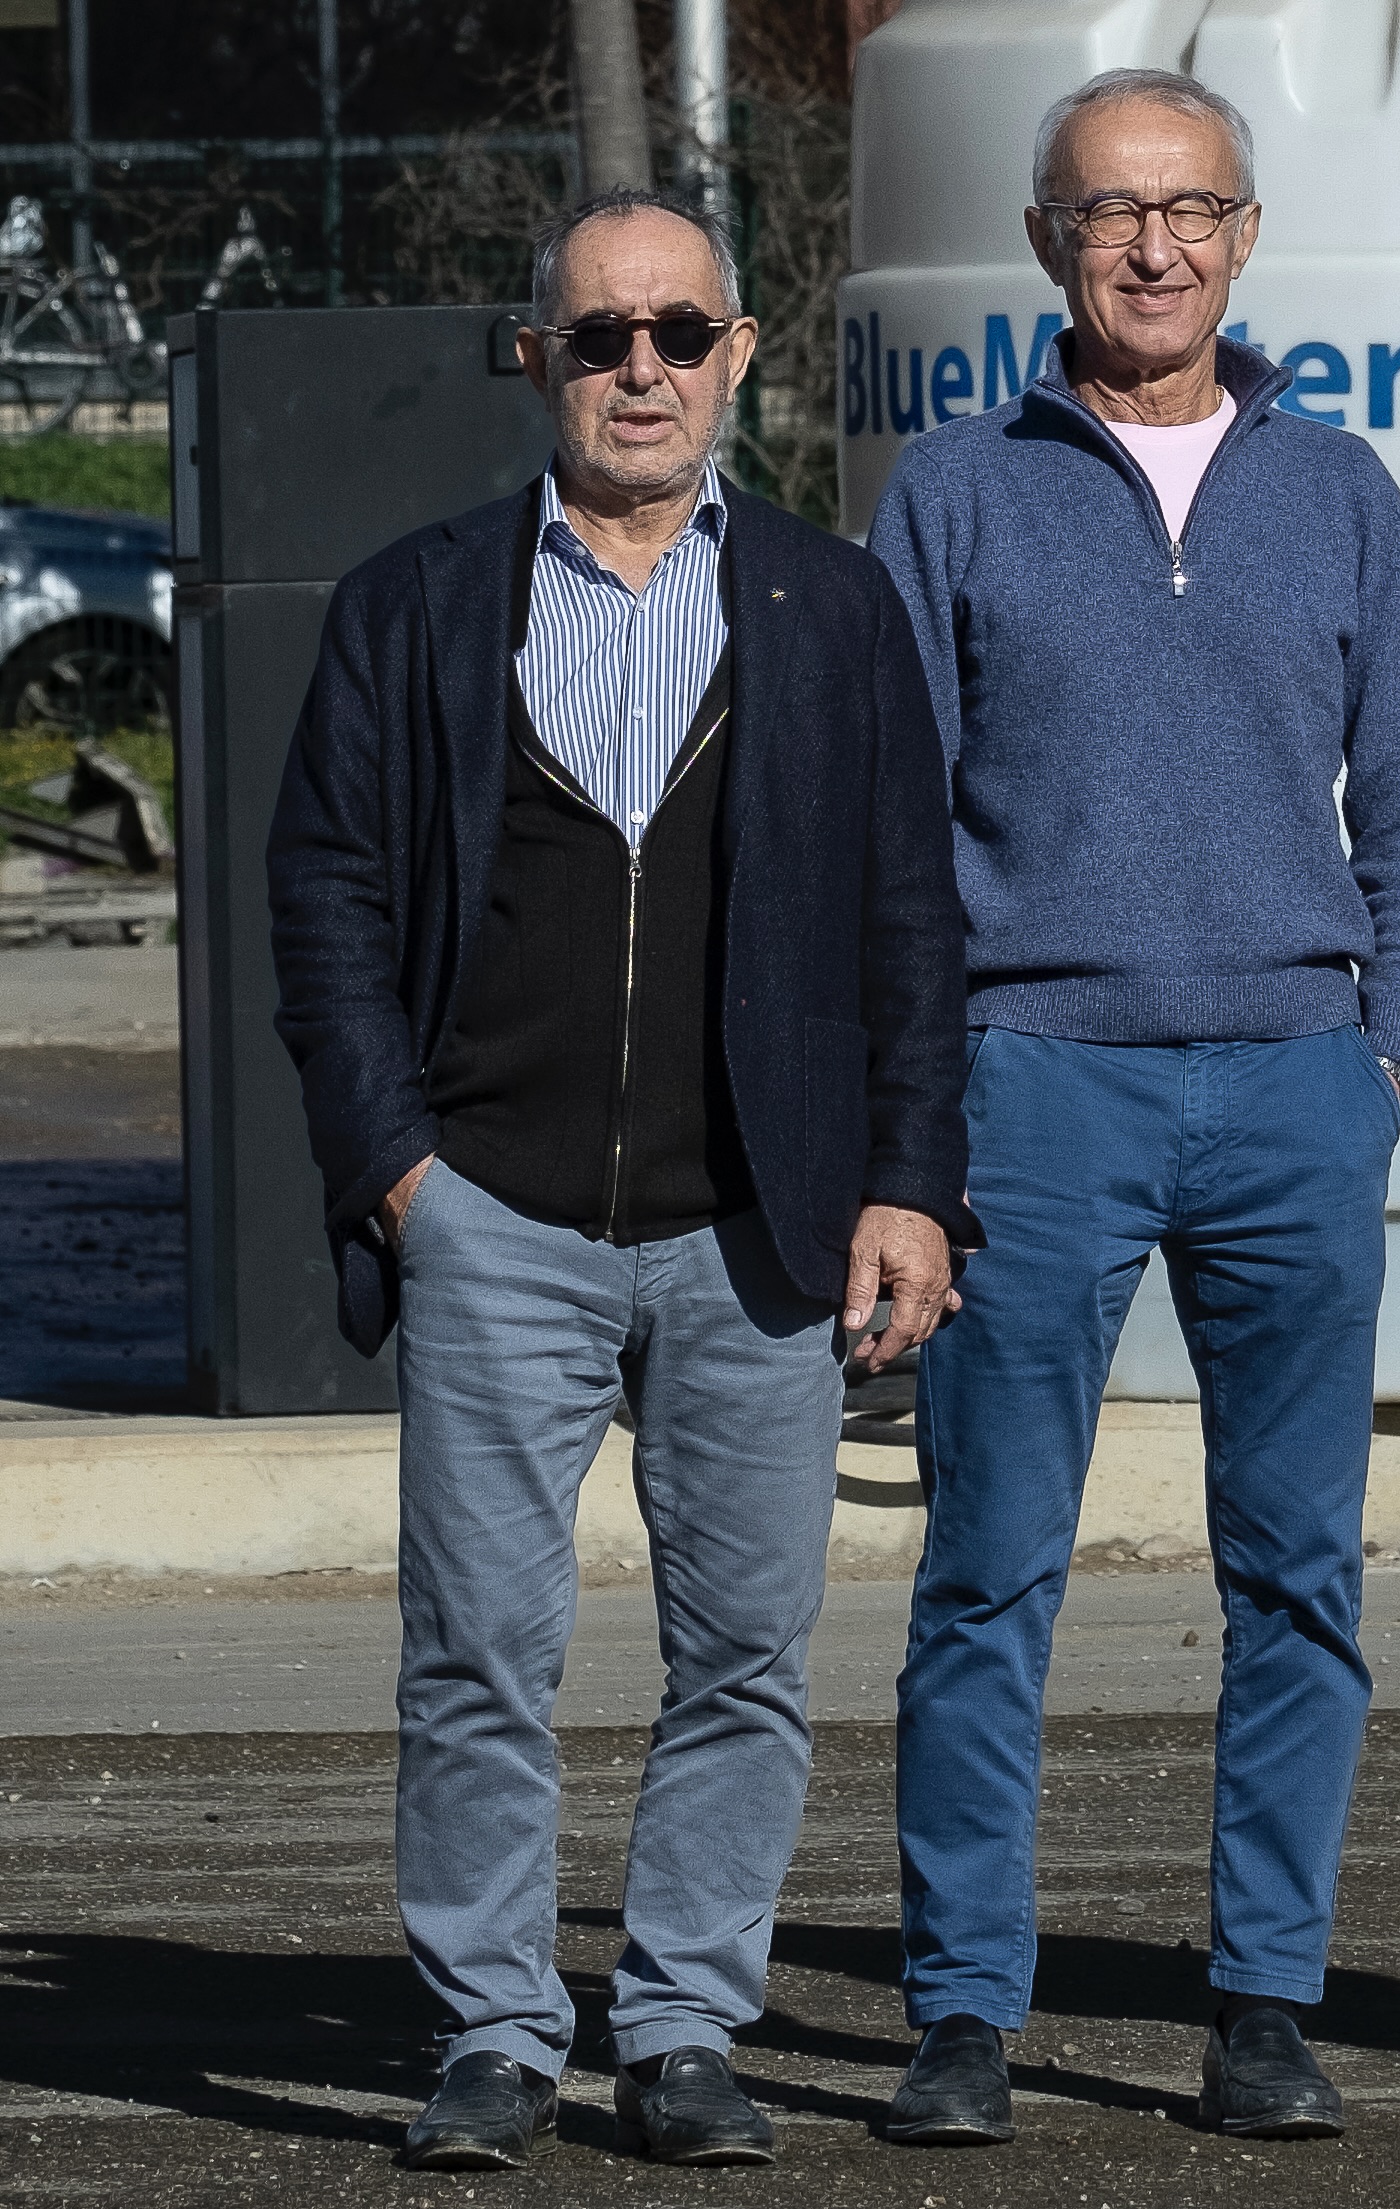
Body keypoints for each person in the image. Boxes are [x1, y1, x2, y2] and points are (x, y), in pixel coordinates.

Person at [268, 187, 979, 2173]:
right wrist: (395, 1169)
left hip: (759, 1219)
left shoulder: (833, 610)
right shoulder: (414, 603)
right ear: (538, 362)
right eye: (601, 337)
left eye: (679, 331)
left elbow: (911, 919)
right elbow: (322, 901)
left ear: (739, 354)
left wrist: (910, 1178)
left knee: (745, 1656)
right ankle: (494, 2028)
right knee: (477, 1650)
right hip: (489, 1211)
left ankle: (679, 2028)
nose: (642, 368)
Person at [869, 68, 1400, 2142]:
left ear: (1242, 233)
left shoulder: (1342, 493)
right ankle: (959, 2006)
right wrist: (921, 1120)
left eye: (1190, 209)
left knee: (1298, 1570)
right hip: (1032, 1088)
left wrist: (1380, 1057)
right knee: (987, 1569)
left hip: (1297, 1091)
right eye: (1111, 212)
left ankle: (1264, 2000)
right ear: (1046, 244)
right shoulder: (952, 490)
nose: (1152, 247)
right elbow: (887, 825)